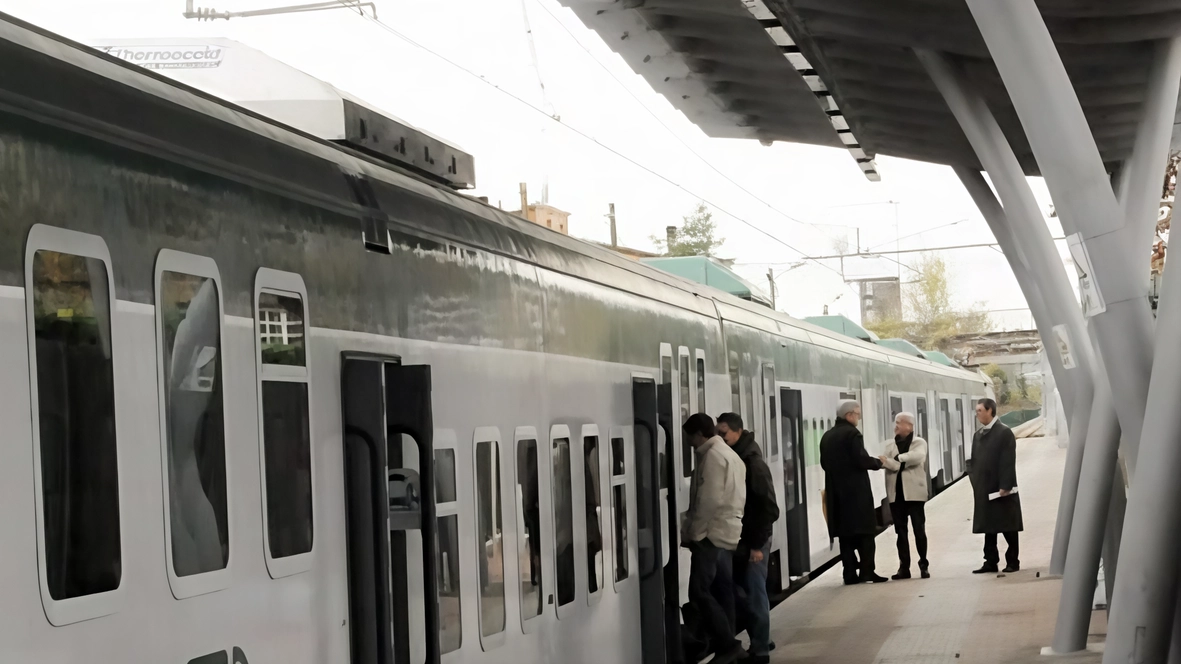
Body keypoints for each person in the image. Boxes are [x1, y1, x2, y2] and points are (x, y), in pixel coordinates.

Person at [682, 413, 747, 664]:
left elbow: (708, 501)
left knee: (699, 591)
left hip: (711, 534)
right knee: (722, 590)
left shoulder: (711, 457)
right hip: (727, 531)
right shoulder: (730, 454)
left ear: (698, 434)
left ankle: (729, 645)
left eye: (689, 436)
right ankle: (728, 647)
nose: (688, 442)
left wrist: (694, 533)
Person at [717, 413, 780, 664]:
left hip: (754, 540)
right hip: (742, 539)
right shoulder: (737, 457)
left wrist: (757, 545)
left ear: (738, 431)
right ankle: (761, 637)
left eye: (723, 433)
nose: (719, 437)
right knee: (742, 591)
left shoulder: (752, 463)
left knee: (754, 592)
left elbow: (768, 508)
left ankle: (761, 650)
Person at [820, 400, 888, 585]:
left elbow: (824, 464)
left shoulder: (827, 436)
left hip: (837, 494)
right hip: (856, 494)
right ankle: (867, 572)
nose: (858, 417)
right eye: (857, 414)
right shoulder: (852, 434)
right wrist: (878, 463)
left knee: (846, 536)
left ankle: (849, 574)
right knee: (866, 534)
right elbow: (861, 460)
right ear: (849, 415)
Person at [969, 398, 1023, 574]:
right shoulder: (978, 435)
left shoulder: (1004, 432)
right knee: (988, 526)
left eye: (979, 411)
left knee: (1008, 525)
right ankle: (990, 561)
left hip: (1001, 488)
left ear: (990, 411)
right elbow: (975, 460)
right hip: (984, 487)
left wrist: (1005, 485)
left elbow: (1008, 460)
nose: (977, 414)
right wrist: (975, 481)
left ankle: (1013, 561)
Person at [880, 412, 930, 580]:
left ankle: (924, 564)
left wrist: (897, 458)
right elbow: (891, 465)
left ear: (909, 426)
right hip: (896, 495)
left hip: (915, 494)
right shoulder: (889, 445)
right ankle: (904, 567)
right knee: (900, 532)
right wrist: (890, 461)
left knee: (919, 530)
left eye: (899, 422)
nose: (895, 426)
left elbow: (918, 456)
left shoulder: (919, 442)